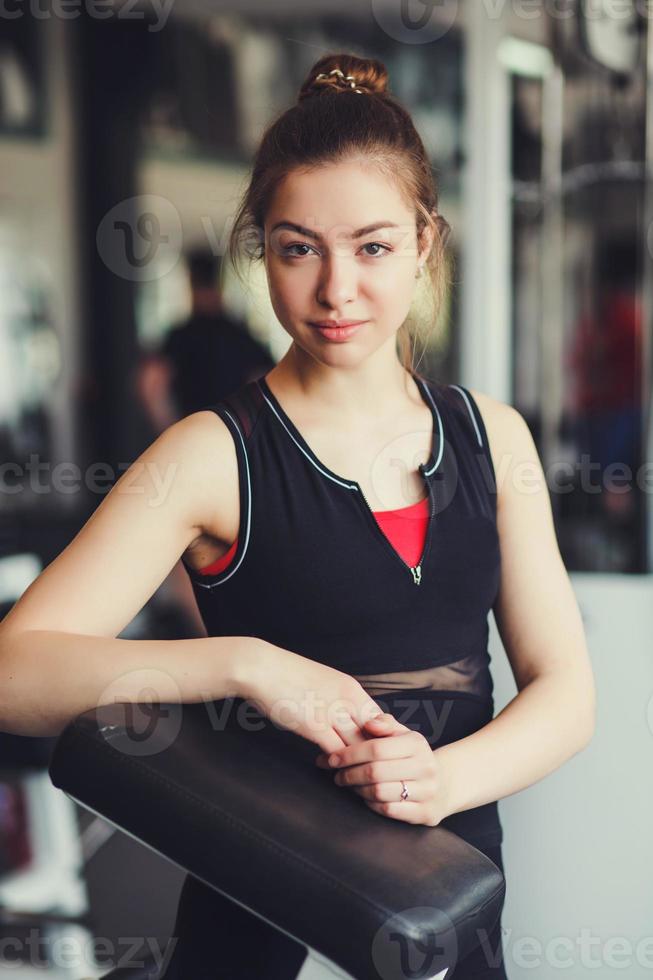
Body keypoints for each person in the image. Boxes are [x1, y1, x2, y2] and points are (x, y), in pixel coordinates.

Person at [0, 53, 596, 980]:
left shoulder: (495, 440)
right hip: (257, 932)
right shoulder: (211, 453)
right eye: (296, 247)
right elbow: (14, 671)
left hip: (449, 921)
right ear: (260, 249)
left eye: (372, 246)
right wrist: (244, 666)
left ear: (424, 243)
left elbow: (564, 690)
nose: (335, 291)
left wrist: (443, 780)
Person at [136, 247, 275, 435]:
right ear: (220, 284)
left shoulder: (180, 335)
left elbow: (151, 384)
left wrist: (170, 430)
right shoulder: (241, 335)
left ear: (191, 283)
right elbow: (267, 383)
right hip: (232, 434)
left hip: (191, 435)